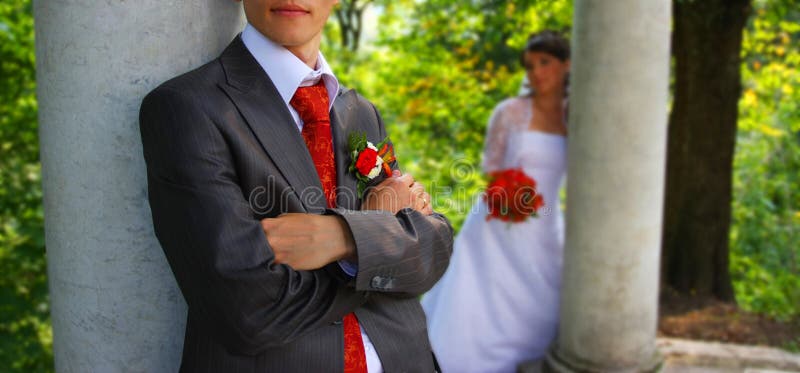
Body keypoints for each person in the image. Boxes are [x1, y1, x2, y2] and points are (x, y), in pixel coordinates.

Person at [138, 1, 454, 371]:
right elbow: (247, 310)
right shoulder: (187, 108)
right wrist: (375, 248)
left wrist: (344, 238)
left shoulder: (360, 112)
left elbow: (432, 249)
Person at [421, 30, 570, 372]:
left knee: (544, 299)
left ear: (566, 65)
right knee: (484, 299)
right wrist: (512, 193)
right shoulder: (510, 112)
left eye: (544, 63)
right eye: (530, 66)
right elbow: (492, 166)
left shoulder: (574, 118)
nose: (536, 73)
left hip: (546, 223)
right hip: (498, 217)